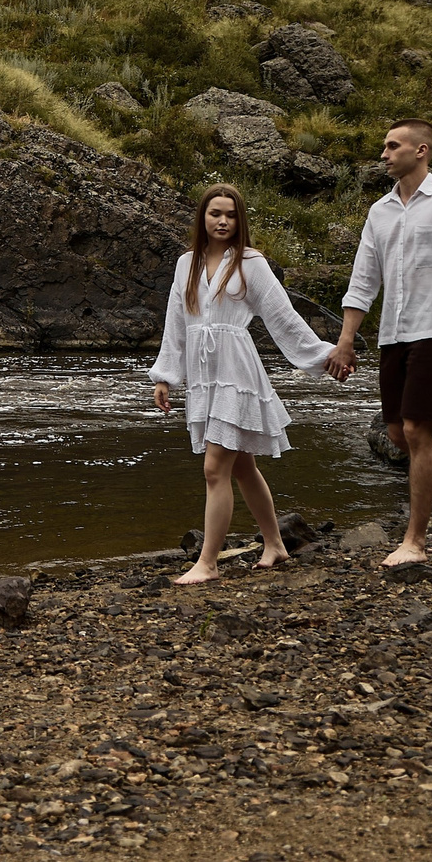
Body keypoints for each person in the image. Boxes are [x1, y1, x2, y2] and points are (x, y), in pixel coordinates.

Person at [149, 183, 336, 586]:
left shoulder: (251, 262)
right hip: (203, 373)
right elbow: (176, 324)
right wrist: (166, 376)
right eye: (215, 213)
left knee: (215, 468)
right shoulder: (187, 263)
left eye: (231, 215)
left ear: (240, 221)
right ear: (202, 217)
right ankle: (275, 544)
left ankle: (208, 563)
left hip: (236, 370)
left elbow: (283, 317)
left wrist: (325, 356)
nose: (223, 221)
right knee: (243, 466)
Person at [323, 117, 432, 568]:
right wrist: (345, 340)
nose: (383, 154)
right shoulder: (380, 211)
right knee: (397, 432)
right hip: (393, 334)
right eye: (384, 146)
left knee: (417, 430)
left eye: (392, 146)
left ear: (421, 151)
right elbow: (363, 280)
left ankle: (413, 541)